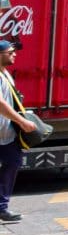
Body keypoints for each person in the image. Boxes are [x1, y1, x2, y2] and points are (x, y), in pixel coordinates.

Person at [0, 40, 33, 223]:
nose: (15, 54)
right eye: (10, 52)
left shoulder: (5, 74)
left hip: (6, 133)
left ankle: (2, 207)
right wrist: (21, 121)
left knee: (13, 162)